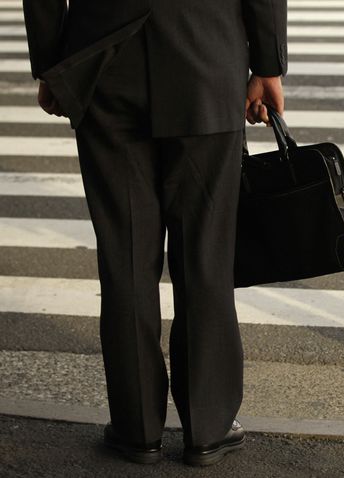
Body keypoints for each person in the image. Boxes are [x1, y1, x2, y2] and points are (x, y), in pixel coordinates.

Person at [22, 0, 287, 467]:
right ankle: (207, 428)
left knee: (124, 258)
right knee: (205, 256)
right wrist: (267, 63)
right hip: (206, 54)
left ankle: (136, 428)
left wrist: (51, 62)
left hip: (105, 59)